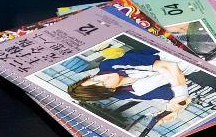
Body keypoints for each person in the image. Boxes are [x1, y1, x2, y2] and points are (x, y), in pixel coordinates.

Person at [63, 45, 192, 124]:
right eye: (102, 83)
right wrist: (173, 110)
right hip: (194, 66)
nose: (103, 77)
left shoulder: (110, 64)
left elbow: (169, 66)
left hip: (180, 49)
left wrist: (181, 95)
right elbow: (170, 95)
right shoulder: (128, 92)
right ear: (110, 91)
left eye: (95, 78)